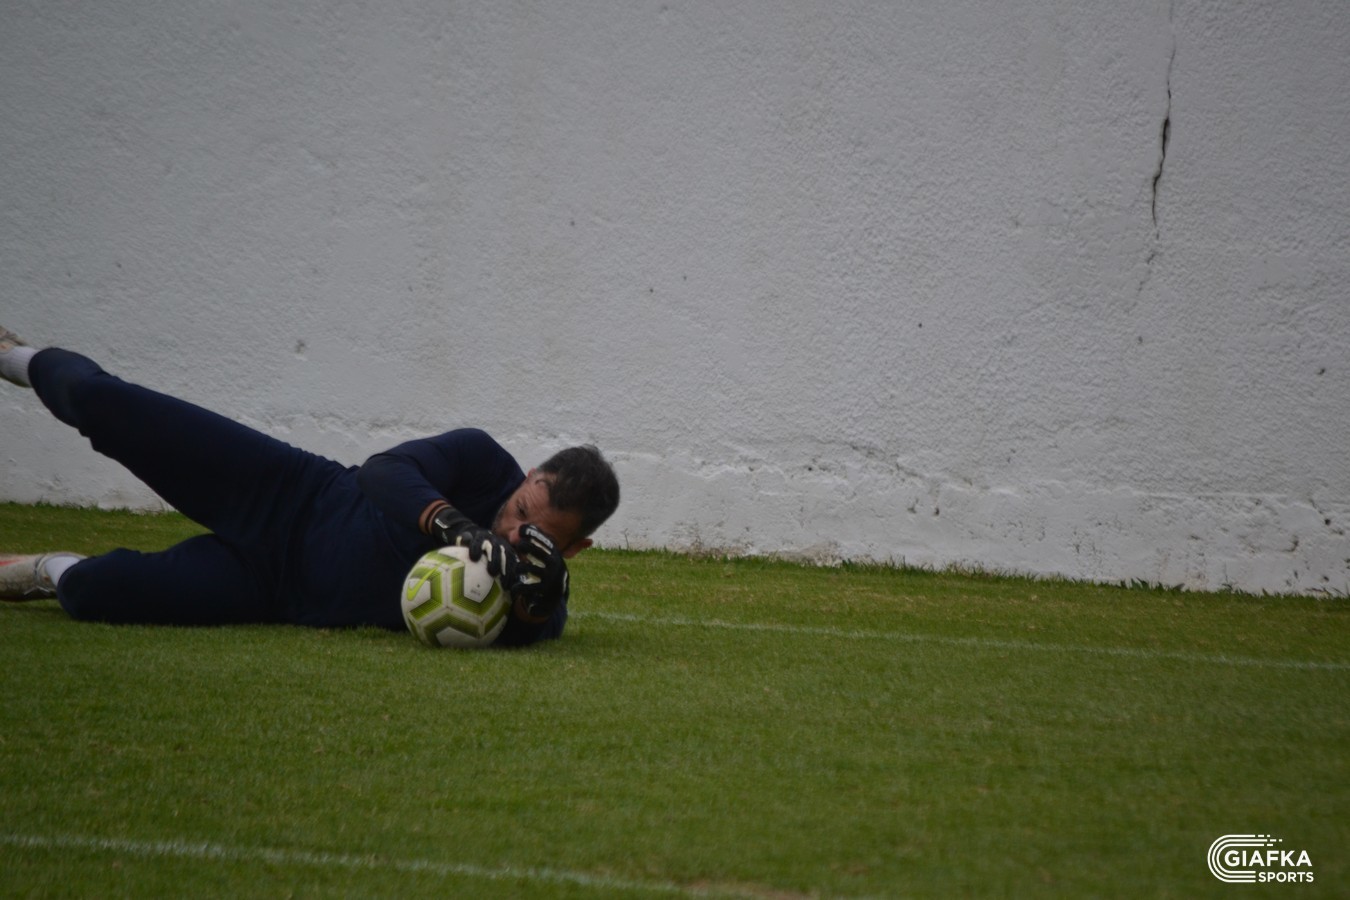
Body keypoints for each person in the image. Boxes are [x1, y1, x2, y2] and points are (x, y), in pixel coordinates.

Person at [0, 325, 619, 647]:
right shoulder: (482, 459)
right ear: (529, 476)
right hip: (287, 492)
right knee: (104, 403)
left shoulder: (540, 591)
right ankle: (14, 357)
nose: (514, 531)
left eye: (537, 533)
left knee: (97, 591)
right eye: (520, 509)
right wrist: (454, 524)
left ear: (573, 548)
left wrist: (534, 605)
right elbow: (383, 472)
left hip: (271, 592)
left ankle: (44, 568)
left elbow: (537, 629)